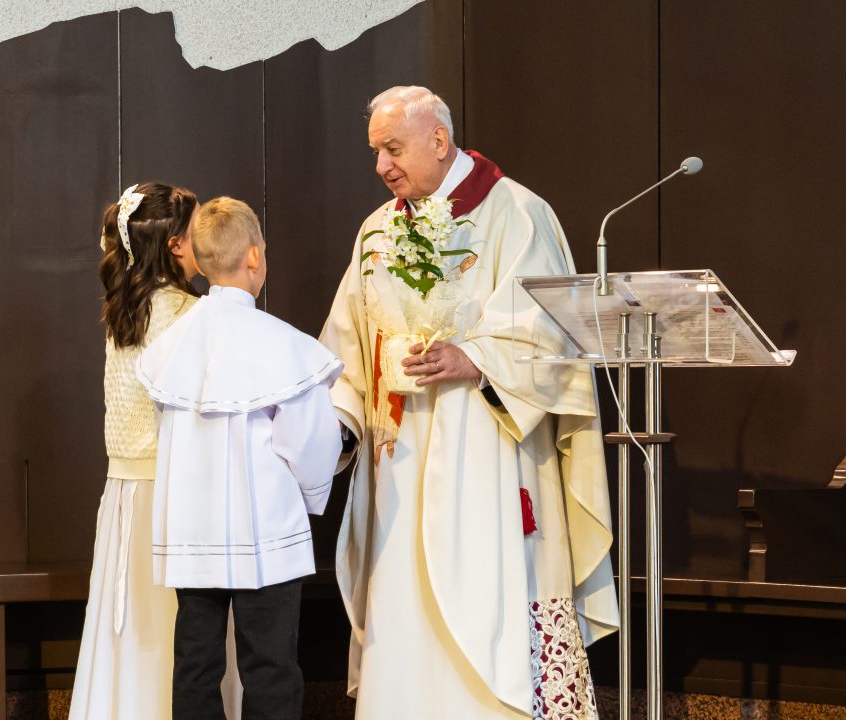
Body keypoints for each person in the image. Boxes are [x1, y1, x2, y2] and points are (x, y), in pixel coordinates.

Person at [319, 86, 620, 719]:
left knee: (490, 598)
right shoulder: (377, 230)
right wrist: (334, 424)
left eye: (392, 149)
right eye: (375, 152)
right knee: (402, 596)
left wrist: (475, 359)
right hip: (399, 458)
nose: (381, 166)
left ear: (438, 139)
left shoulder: (517, 213)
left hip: (489, 447)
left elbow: (551, 332)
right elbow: (348, 342)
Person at [138, 197, 344, 720]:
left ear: (202, 261)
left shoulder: (174, 344)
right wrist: (310, 498)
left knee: (195, 664)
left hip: (194, 530)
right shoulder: (285, 345)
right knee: (270, 665)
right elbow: (311, 445)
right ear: (255, 256)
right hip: (266, 528)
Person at [69, 182, 239, 720]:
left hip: (124, 495)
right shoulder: (193, 313)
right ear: (174, 245)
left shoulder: (125, 309)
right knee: (178, 632)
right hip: (172, 495)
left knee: (130, 625)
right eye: (196, 230)